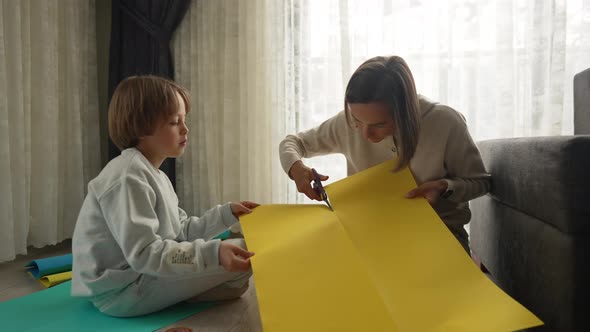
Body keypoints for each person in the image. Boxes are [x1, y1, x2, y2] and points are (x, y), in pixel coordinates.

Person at [71, 75, 258, 317]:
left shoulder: (154, 174)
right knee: (243, 252)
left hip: (140, 277)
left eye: (184, 120)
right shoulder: (128, 177)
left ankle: (184, 293)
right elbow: (144, 253)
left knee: (240, 269)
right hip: (122, 291)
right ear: (141, 127)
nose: (185, 129)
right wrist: (214, 253)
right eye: (174, 122)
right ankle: (183, 294)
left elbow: (181, 232)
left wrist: (227, 214)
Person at [279, 56, 491, 253]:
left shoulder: (445, 123)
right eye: (357, 120)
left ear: (405, 111)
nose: (365, 133)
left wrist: (445, 187)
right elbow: (293, 142)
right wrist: (296, 168)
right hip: (370, 236)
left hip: (439, 237)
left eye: (379, 124)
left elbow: (481, 183)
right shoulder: (346, 123)